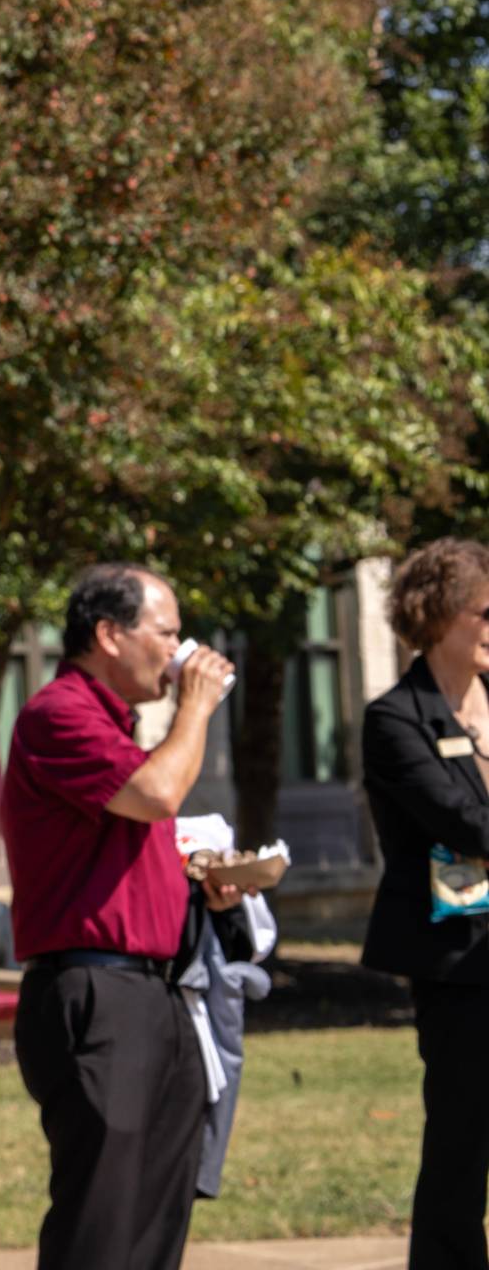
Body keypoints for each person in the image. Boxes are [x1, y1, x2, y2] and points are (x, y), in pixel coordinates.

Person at [0, 564, 242, 1270]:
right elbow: (157, 794)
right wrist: (194, 708)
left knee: (154, 1219)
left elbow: (122, 848)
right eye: (166, 633)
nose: (179, 651)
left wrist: (203, 887)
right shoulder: (59, 713)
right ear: (109, 634)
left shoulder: (121, 729)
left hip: (154, 995)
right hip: (95, 994)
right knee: (101, 1224)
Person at [357, 538, 489, 1270]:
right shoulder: (397, 719)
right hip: (460, 961)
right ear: (441, 617)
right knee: (463, 1142)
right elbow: (467, 824)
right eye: (488, 611)